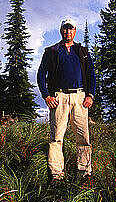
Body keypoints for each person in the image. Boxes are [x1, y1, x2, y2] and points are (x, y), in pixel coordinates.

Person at [37, 18, 96, 183]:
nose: (67, 32)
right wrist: (47, 96)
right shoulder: (52, 51)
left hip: (80, 98)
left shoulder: (82, 51)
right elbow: (41, 74)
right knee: (56, 138)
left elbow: (91, 74)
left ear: (75, 31)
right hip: (59, 97)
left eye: (70, 29)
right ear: (61, 31)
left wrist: (90, 95)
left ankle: (85, 173)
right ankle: (57, 175)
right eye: (65, 29)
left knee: (83, 137)